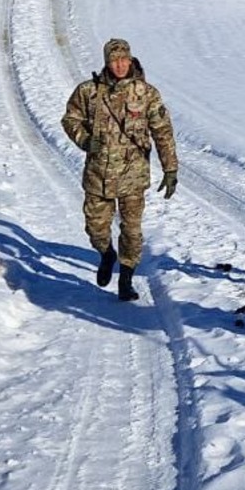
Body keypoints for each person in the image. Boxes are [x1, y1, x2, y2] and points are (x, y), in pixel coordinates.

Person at [61, 38, 178, 302]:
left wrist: (171, 169)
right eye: (115, 60)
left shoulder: (146, 93)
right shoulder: (89, 91)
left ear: (131, 59)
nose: (120, 65)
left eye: (124, 59)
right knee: (96, 227)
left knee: (132, 230)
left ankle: (126, 278)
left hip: (133, 174)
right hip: (98, 174)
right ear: (106, 61)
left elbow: (162, 132)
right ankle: (106, 254)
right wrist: (84, 139)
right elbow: (71, 118)